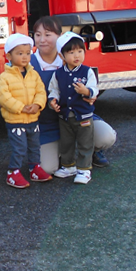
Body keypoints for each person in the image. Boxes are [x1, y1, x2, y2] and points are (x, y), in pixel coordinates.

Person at [30, 17, 116, 173]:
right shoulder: (27, 62)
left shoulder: (72, 59)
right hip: (47, 125)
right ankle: (64, 153)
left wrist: (90, 94)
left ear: (59, 36)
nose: (42, 40)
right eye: (37, 35)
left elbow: (92, 86)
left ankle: (93, 149)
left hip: (79, 116)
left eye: (48, 34)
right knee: (47, 168)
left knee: (106, 136)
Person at [0, 34, 52, 189]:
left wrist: (38, 105)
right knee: (19, 148)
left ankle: (35, 168)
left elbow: (41, 91)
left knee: (34, 145)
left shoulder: (33, 74)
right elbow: (2, 96)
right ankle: (13, 172)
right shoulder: (4, 77)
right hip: (15, 121)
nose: (25, 57)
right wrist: (21, 108)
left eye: (27, 53)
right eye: (20, 53)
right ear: (9, 56)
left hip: (33, 119)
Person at [48, 32, 99, 185]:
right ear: (61, 55)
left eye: (80, 51)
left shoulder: (87, 71)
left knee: (85, 142)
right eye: (71, 52)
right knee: (67, 142)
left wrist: (87, 91)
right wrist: (53, 100)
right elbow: (54, 89)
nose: (76, 56)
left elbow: (94, 88)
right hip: (65, 116)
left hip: (83, 116)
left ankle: (84, 169)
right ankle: (68, 166)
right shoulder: (58, 73)